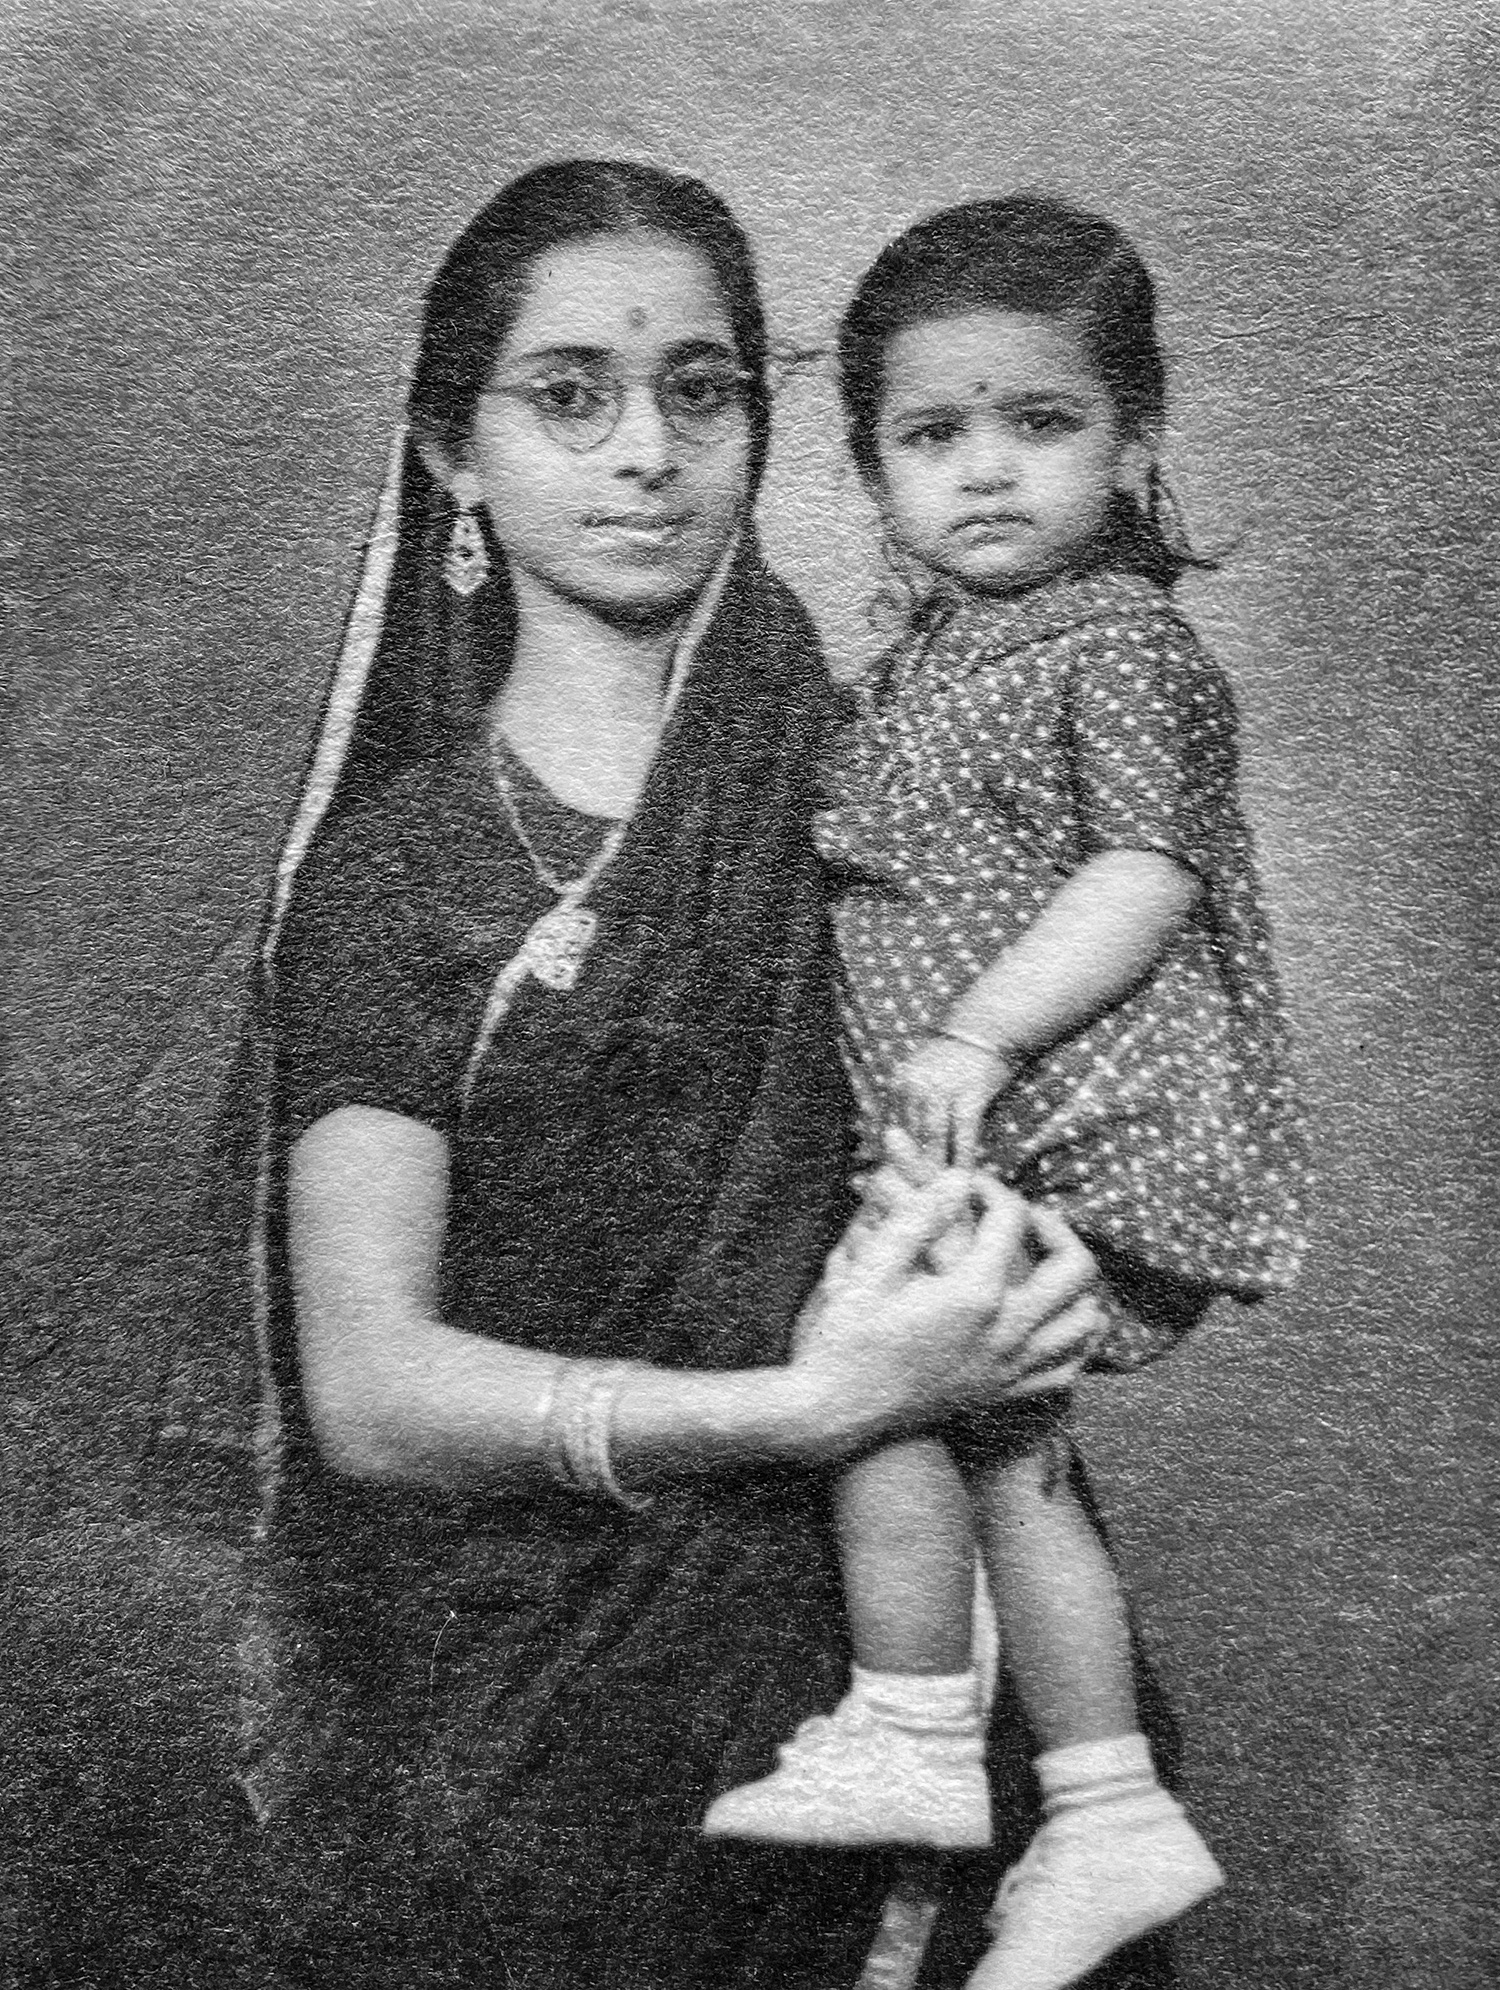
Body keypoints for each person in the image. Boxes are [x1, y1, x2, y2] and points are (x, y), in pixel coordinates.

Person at [238, 161, 1106, 1990]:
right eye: (569, 393)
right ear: (451, 453)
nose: (645, 450)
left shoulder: (893, 788)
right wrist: (803, 1409)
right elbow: (374, 1392)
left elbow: (1096, 1111)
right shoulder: (404, 876)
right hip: (539, 1726)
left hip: (928, 1655)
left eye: (699, 391)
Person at [702, 195, 1309, 1990]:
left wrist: (971, 1037)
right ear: (872, 464)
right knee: (996, 1433)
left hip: (1076, 1103)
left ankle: (912, 1721)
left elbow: (1148, 876)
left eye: (1040, 424)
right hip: (987, 1130)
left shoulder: (1114, 642)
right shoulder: (924, 668)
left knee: (879, 1372)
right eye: (930, 433)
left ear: (1135, 438)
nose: (986, 472)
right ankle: (1103, 1798)